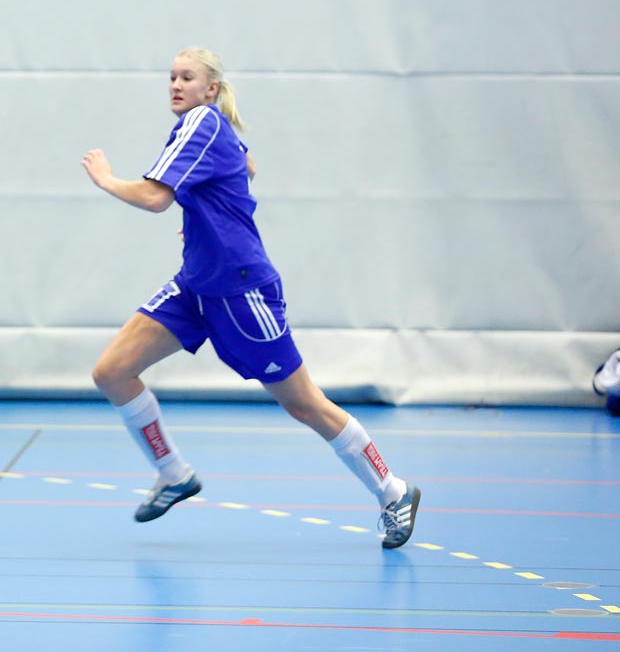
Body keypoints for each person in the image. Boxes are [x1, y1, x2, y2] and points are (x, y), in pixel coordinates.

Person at [80, 47, 421, 549]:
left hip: (243, 293)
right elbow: (247, 167)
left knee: (305, 404)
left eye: (187, 77)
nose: (175, 84)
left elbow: (154, 197)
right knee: (112, 371)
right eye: (171, 77)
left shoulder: (202, 121)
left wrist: (106, 177)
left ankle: (394, 491)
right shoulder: (208, 128)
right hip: (196, 284)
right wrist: (205, 219)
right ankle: (174, 474)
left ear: (210, 89)